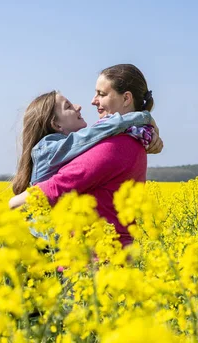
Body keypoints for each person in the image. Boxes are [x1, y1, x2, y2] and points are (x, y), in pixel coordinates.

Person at [10, 64, 162, 247]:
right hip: (94, 252)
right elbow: (94, 134)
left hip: (97, 260)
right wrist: (147, 121)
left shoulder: (115, 145)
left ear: (126, 98)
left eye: (101, 94)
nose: (91, 101)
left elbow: (59, 186)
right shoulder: (133, 138)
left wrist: (15, 202)